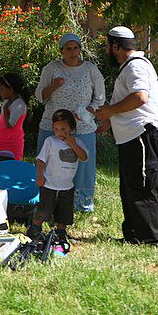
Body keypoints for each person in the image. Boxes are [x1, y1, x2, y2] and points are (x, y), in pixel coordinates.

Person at [95, 26, 158, 247]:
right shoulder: (128, 67)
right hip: (132, 137)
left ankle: (151, 240)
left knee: (143, 187)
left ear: (115, 46)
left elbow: (139, 97)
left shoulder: (135, 66)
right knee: (130, 187)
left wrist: (111, 111)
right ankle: (134, 235)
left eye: (108, 46)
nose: (107, 51)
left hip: (143, 134)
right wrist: (109, 120)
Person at [34, 33, 105, 212]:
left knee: (82, 164)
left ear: (80, 49)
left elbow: (100, 98)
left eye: (76, 48)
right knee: (51, 163)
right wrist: (54, 85)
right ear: (61, 51)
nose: (73, 52)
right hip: (53, 126)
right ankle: (48, 201)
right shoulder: (51, 68)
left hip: (81, 127)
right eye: (68, 48)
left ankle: (81, 202)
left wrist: (89, 110)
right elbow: (40, 95)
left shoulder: (90, 69)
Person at [26, 110, 88, 243]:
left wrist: (72, 144)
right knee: (43, 210)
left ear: (72, 128)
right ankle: (35, 228)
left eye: (63, 129)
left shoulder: (78, 143)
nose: (60, 132)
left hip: (67, 186)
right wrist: (39, 176)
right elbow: (41, 160)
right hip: (49, 184)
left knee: (64, 212)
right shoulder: (50, 141)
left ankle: (61, 232)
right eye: (56, 129)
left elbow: (84, 157)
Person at [0, 73, 28, 162]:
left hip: (12, 144)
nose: (0, 92)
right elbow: (0, 123)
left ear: (11, 89)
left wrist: (5, 109)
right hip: (1, 143)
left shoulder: (19, 104)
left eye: (2, 89)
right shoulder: (6, 102)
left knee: (11, 166)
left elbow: (10, 124)